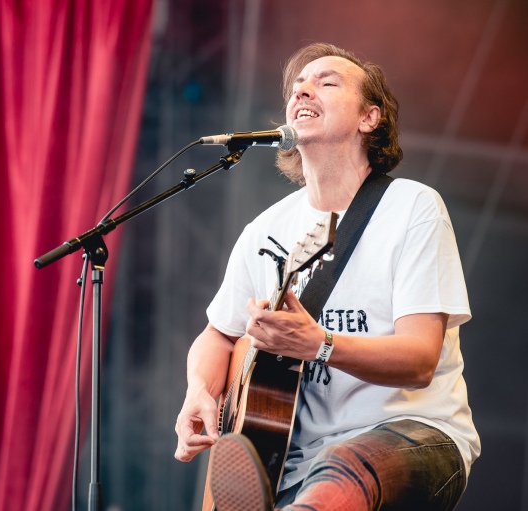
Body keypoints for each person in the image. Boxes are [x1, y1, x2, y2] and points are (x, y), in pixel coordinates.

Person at [174, 42, 480, 511]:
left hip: (414, 435)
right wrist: (199, 391)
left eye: (326, 83)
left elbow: (420, 361)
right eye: (297, 88)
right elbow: (218, 335)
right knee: (324, 475)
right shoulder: (266, 230)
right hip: (290, 459)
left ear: (369, 118)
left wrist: (319, 345)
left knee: (345, 466)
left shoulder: (413, 208)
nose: (302, 92)